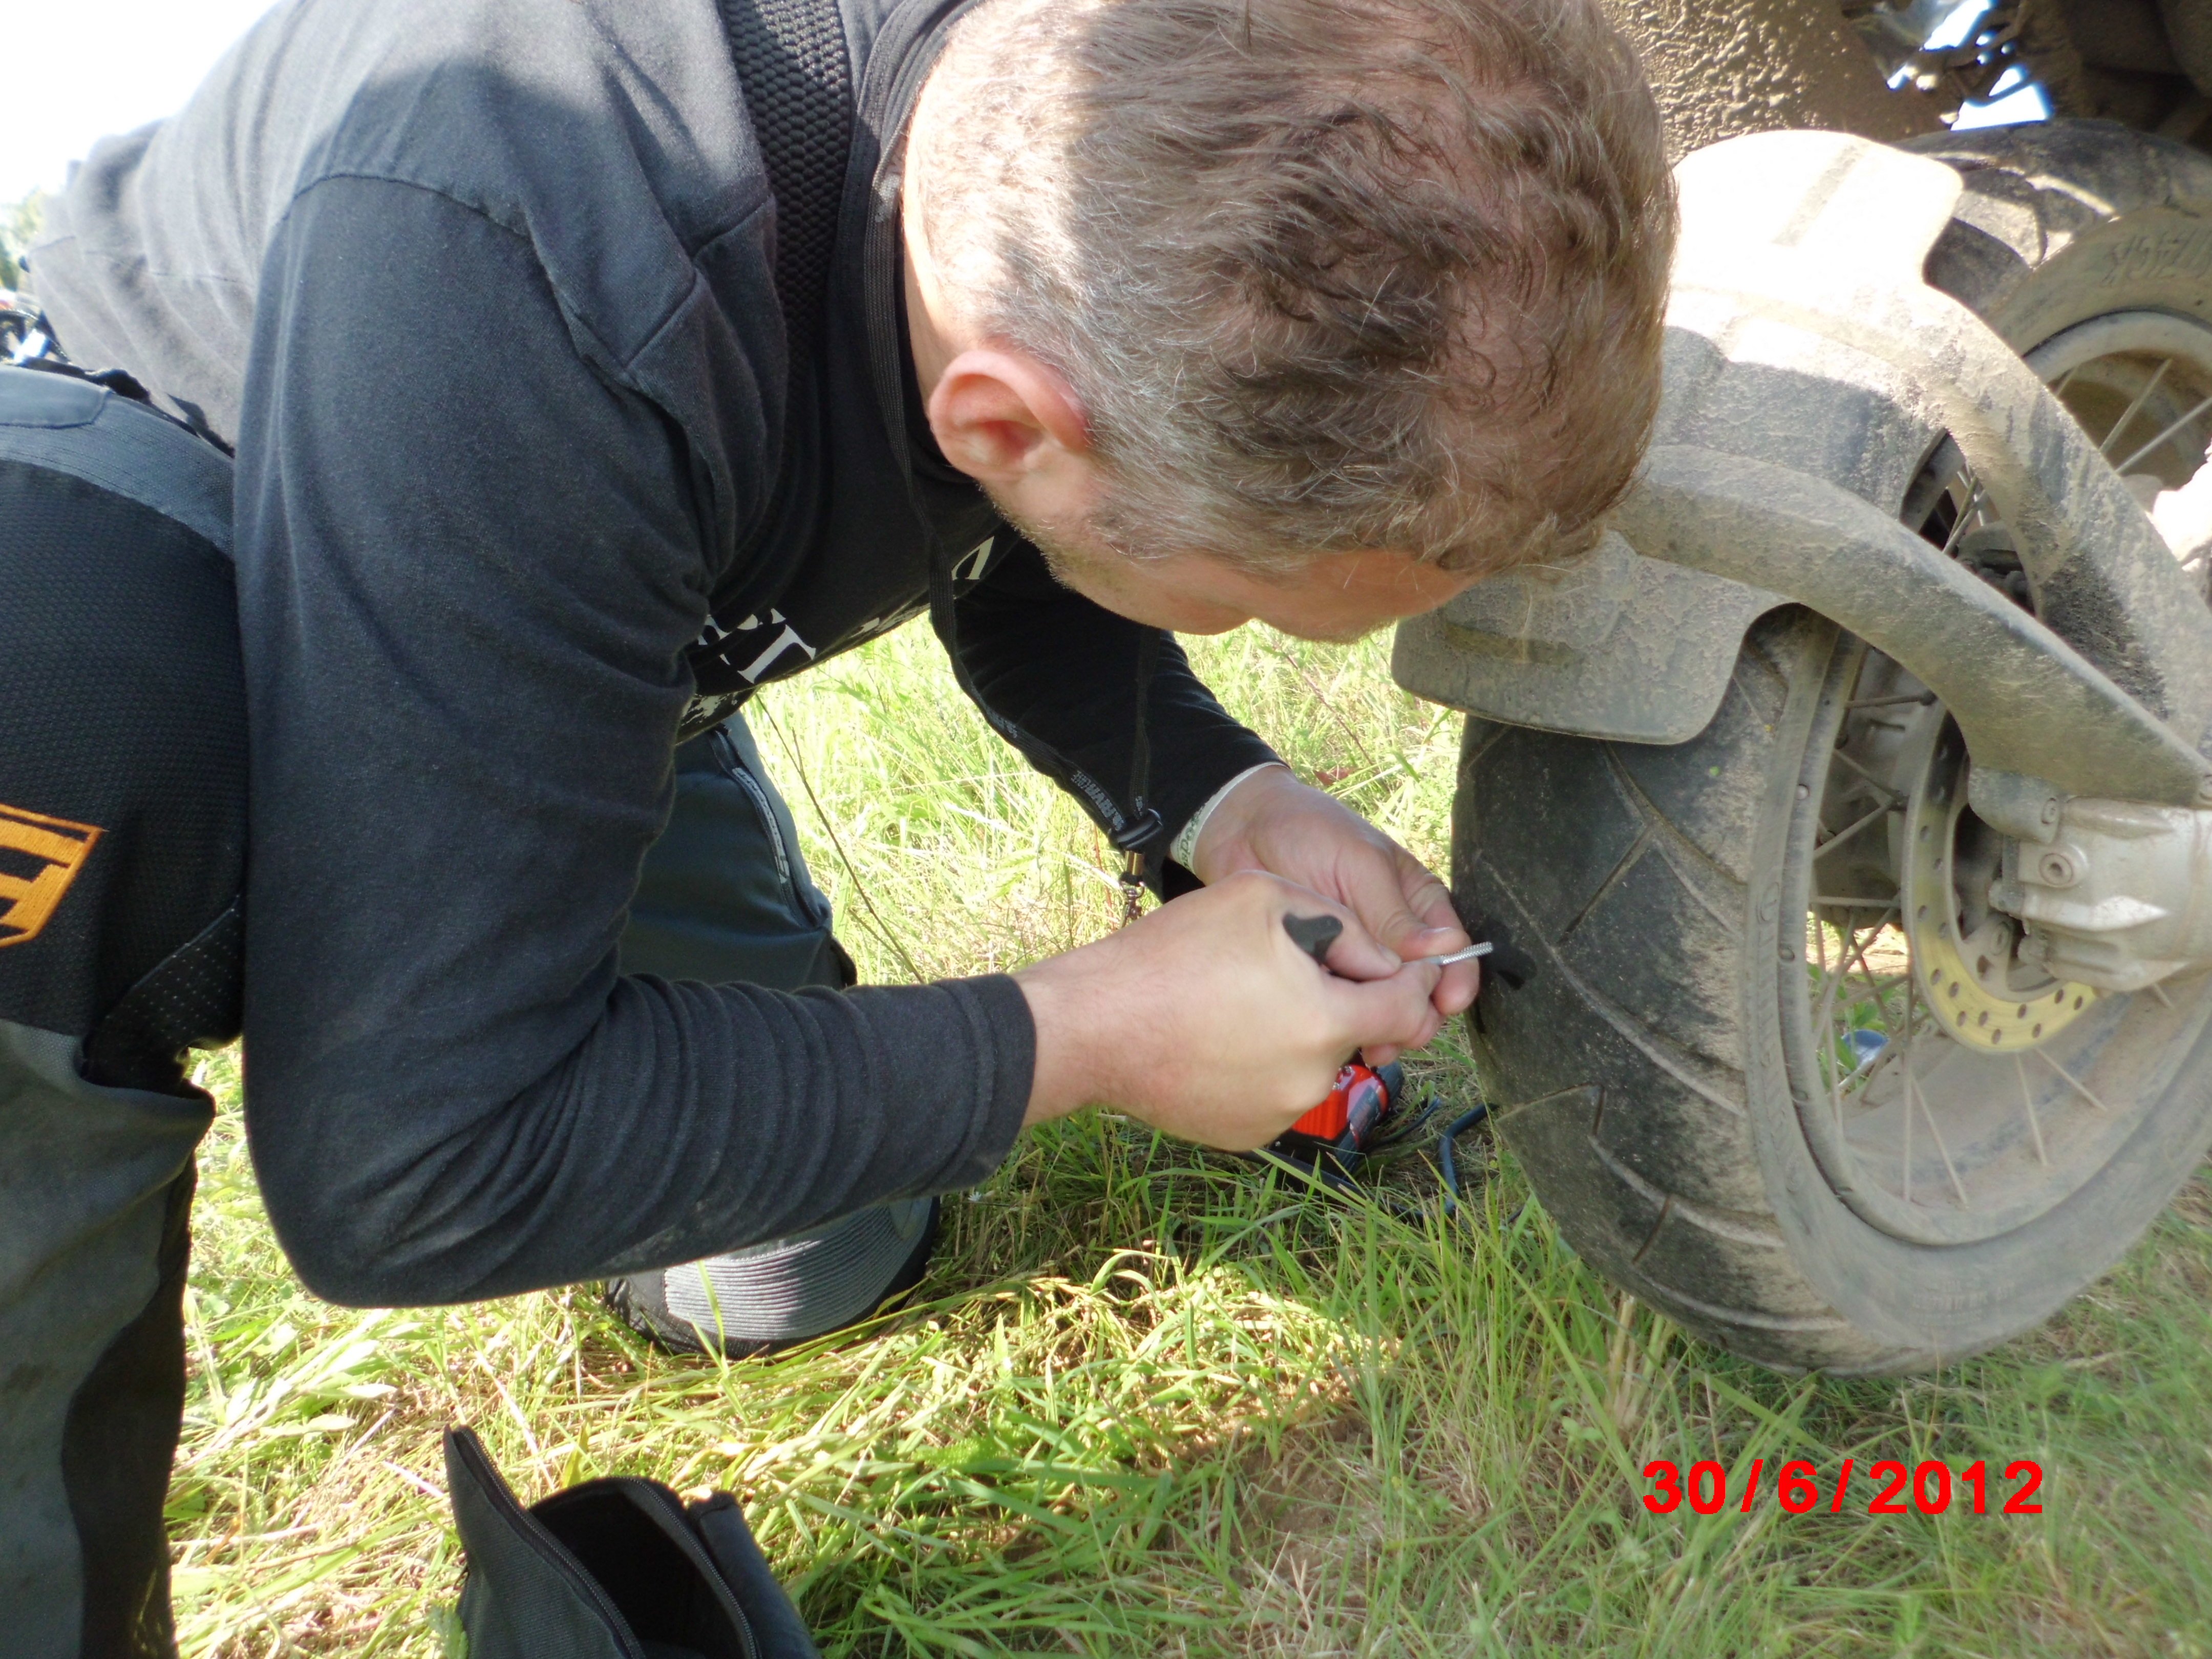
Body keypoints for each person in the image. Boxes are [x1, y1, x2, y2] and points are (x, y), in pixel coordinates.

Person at [1, 0, 1673, 1649]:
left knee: (796, 1265)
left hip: (579, 567)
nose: (1234, 623)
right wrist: (1091, 1032)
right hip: (131, 544)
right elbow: (415, 1166)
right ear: (1005, 419)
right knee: (82, 712)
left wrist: (1230, 799)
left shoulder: (1067, 142)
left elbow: (1029, 535)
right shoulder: (536, 254)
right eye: (1247, 600)